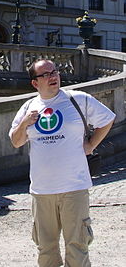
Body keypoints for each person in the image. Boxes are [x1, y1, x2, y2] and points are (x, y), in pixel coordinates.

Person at [9, 59, 115, 267]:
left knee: (77, 247)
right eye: (46, 74)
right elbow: (16, 141)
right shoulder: (28, 107)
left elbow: (107, 119)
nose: (53, 77)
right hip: (41, 190)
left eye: (55, 72)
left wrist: (91, 144)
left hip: (74, 186)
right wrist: (24, 123)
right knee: (46, 250)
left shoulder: (78, 100)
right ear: (35, 83)